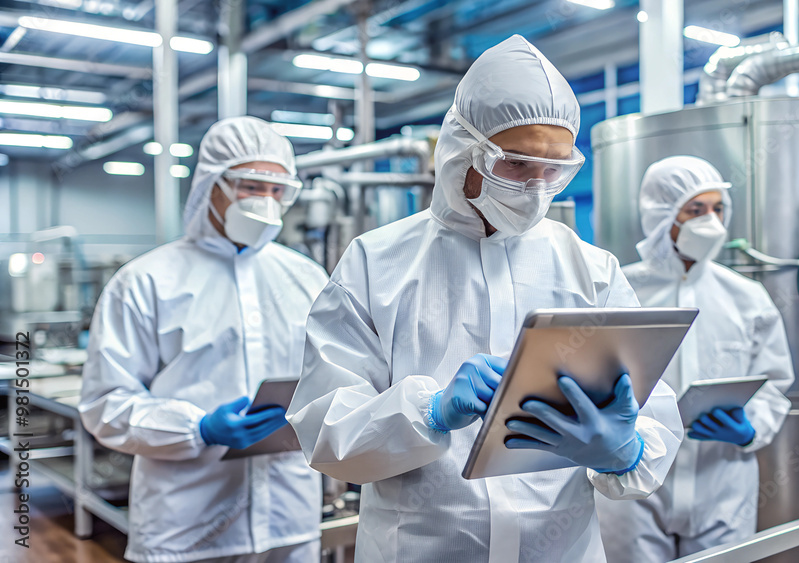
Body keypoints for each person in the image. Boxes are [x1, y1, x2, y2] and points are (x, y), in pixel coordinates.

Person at [287, 35, 684, 562]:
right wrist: (428, 412)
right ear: (463, 150)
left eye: (554, 170)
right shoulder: (374, 264)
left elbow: (655, 413)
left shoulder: (592, 269)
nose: (536, 188)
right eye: (516, 165)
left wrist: (626, 451)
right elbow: (325, 432)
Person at [78, 116, 328, 563]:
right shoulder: (145, 281)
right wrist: (197, 428)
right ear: (211, 184)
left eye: (277, 190)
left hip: (289, 520)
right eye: (251, 186)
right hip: (186, 527)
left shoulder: (306, 277)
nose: (266, 202)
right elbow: (104, 405)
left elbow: (332, 377)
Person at [597, 156, 795, 560]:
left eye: (718, 208)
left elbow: (774, 382)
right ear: (661, 214)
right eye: (695, 209)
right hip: (633, 480)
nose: (711, 221)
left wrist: (751, 429)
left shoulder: (747, 297)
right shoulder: (617, 290)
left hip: (722, 482)